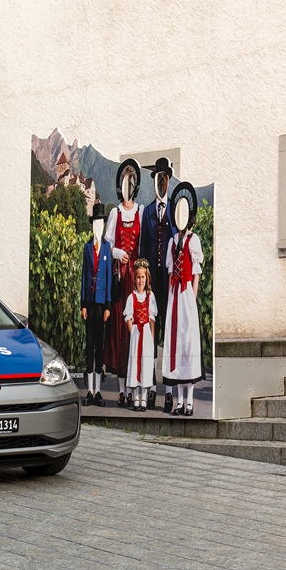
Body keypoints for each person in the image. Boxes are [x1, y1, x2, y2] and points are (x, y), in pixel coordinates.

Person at [162, 182, 204, 416]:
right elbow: (170, 274)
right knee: (176, 345)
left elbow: (196, 273)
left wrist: (191, 300)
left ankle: (190, 401)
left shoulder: (193, 239)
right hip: (174, 296)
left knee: (188, 345)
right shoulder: (172, 242)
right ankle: (179, 401)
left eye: (184, 212)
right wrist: (171, 298)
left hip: (187, 294)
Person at [139, 156, 176, 412]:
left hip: (170, 283)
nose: (160, 182)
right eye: (156, 178)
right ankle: (151, 389)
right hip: (153, 284)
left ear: (168, 181)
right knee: (152, 334)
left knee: (169, 335)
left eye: (163, 178)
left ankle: (171, 390)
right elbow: (143, 248)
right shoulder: (147, 211)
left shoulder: (176, 210)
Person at [105, 159, 142, 407]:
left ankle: (134, 388)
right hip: (120, 277)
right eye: (125, 182)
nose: (128, 187)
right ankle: (121, 391)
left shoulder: (139, 211)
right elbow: (107, 244)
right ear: (121, 185)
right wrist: (119, 253)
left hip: (136, 279)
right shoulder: (115, 213)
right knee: (120, 330)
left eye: (132, 182)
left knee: (135, 331)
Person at [79, 201, 114, 407]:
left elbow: (108, 277)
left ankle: (98, 391)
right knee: (90, 346)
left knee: (99, 348)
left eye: (101, 223)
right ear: (92, 226)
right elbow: (85, 276)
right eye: (95, 224)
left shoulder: (107, 248)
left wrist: (108, 306)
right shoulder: (86, 247)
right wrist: (83, 303)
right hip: (90, 303)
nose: (97, 227)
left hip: (101, 304)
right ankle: (89, 392)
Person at [123, 258, 156, 411]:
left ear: (146, 278)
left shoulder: (150, 297)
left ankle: (144, 399)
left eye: (143, 277)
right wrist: (133, 334)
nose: (141, 280)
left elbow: (152, 319)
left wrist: (151, 338)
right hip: (137, 334)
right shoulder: (132, 297)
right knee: (136, 364)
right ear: (134, 279)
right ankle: (136, 399)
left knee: (145, 365)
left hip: (147, 336)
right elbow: (128, 318)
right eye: (138, 277)